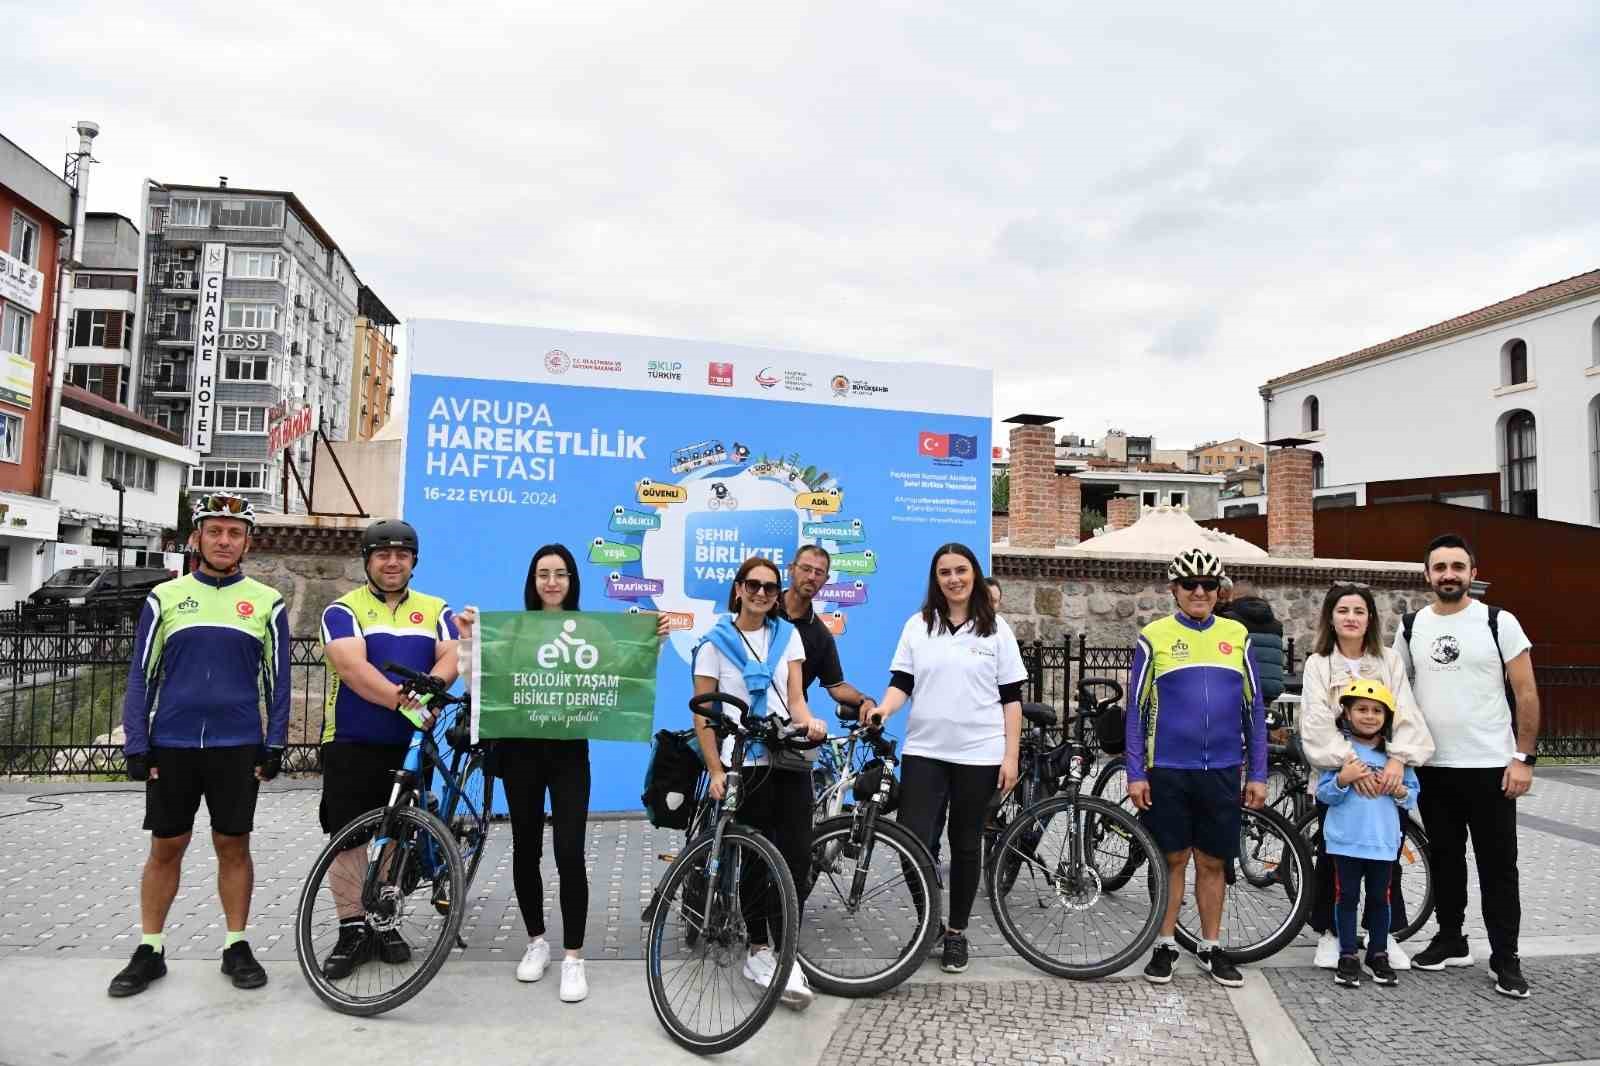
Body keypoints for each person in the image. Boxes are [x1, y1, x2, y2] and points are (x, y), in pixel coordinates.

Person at [457, 545, 668, 1003]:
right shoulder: (512, 630)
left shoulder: (592, 630)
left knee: (570, 851)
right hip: (520, 754)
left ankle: (574, 957)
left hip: (570, 754)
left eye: (561, 574)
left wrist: (654, 641)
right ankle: (537, 942)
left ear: (573, 580)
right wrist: (470, 640)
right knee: (525, 848)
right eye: (543, 575)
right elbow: (480, 680)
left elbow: (620, 676)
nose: (552, 582)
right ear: (532, 582)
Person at [109, 492, 290, 997]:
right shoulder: (164, 598)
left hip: (237, 745)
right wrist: (136, 743)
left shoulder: (267, 601)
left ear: (247, 542)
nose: (225, 540)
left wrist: (273, 743)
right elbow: (141, 676)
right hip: (174, 743)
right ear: (197, 539)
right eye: (215, 531)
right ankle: (150, 948)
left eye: (235, 533)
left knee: (233, 845)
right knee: (167, 845)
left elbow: (277, 683)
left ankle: (236, 944)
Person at [867, 542, 1025, 975]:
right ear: (935, 580)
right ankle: (928, 926)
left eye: (960, 570)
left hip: (980, 753)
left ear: (973, 574)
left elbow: (1012, 699)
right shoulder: (919, 626)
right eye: (944, 573)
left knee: (966, 843)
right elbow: (902, 681)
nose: (953, 579)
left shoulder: (997, 630)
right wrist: (884, 708)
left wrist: (1010, 756)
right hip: (925, 750)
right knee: (913, 842)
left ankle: (956, 933)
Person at [1395, 533, 1539, 998]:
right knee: (1445, 860)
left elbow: (1527, 692)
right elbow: (1396, 692)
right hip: (1434, 766)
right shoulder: (1411, 626)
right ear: (1427, 575)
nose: (1449, 574)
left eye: (1458, 566)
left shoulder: (1499, 621)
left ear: (1473, 574)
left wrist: (1524, 757)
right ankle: (1451, 939)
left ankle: (1505, 955)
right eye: (1440, 567)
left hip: (1492, 767)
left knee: (1499, 866)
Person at [316, 519, 460, 981]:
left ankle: (383, 922)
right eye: (382, 554)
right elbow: (352, 668)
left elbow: (453, 653)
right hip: (352, 740)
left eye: (401, 554)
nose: (392, 561)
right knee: (349, 839)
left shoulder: (436, 607)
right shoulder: (342, 609)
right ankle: (351, 927)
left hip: (408, 745)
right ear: (367, 561)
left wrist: (434, 685)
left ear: (414, 561)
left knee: (397, 834)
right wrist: (408, 704)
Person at [691, 555, 829, 1010]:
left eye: (770, 588)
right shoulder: (713, 643)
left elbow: (796, 699)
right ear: (738, 589)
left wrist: (811, 724)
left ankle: (787, 952)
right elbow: (703, 713)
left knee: (794, 857)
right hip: (741, 762)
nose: (762, 594)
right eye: (754, 585)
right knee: (751, 859)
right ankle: (759, 950)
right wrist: (714, 770)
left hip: (785, 759)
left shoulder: (787, 637)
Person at [1127, 548, 1267, 988]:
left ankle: (1210, 946)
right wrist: (1135, 772)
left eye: (1209, 584)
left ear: (1219, 589)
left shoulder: (1237, 634)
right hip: (1168, 766)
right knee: (1172, 859)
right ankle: (1165, 943)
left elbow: (1254, 708)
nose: (1200, 592)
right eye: (1190, 584)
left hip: (1223, 768)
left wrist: (1258, 773)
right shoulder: (1154, 636)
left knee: (1212, 861)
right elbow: (1135, 710)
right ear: (1174, 589)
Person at [1300, 582, 1434, 970]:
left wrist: (1396, 761)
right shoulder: (1318, 664)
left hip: (1386, 778)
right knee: (1333, 856)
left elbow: (1406, 713)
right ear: (1331, 617)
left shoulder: (1389, 660)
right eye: (1343, 611)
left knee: (1386, 857)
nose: (1351, 618)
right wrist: (1349, 765)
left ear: (1370, 618)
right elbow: (1316, 721)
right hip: (1340, 778)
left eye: (1359, 611)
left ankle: (1384, 936)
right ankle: (1330, 933)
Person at [1316, 680, 1421, 989]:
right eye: (1361, 709)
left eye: (1377, 711)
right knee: (1346, 898)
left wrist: (1399, 789)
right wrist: (1343, 780)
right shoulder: (1341, 755)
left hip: (1382, 844)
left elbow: (1412, 797)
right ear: (1347, 714)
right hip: (1345, 842)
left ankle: (1378, 953)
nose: (1369, 716)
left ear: (1387, 718)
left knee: (1379, 900)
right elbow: (1324, 795)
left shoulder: (1395, 758)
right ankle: (1347, 953)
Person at [779, 544, 879, 716]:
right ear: (791, 569)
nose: (811, 577)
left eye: (818, 573)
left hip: (786, 722)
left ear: (826, 580)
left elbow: (837, 686)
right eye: (806, 569)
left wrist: (865, 701)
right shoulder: (763, 609)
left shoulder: (821, 635)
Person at [1217, 579, 1287, 706]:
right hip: (1270, 689)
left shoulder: (1228, 620)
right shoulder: (1276, 625)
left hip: (1241, 689)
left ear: (1234, 596)